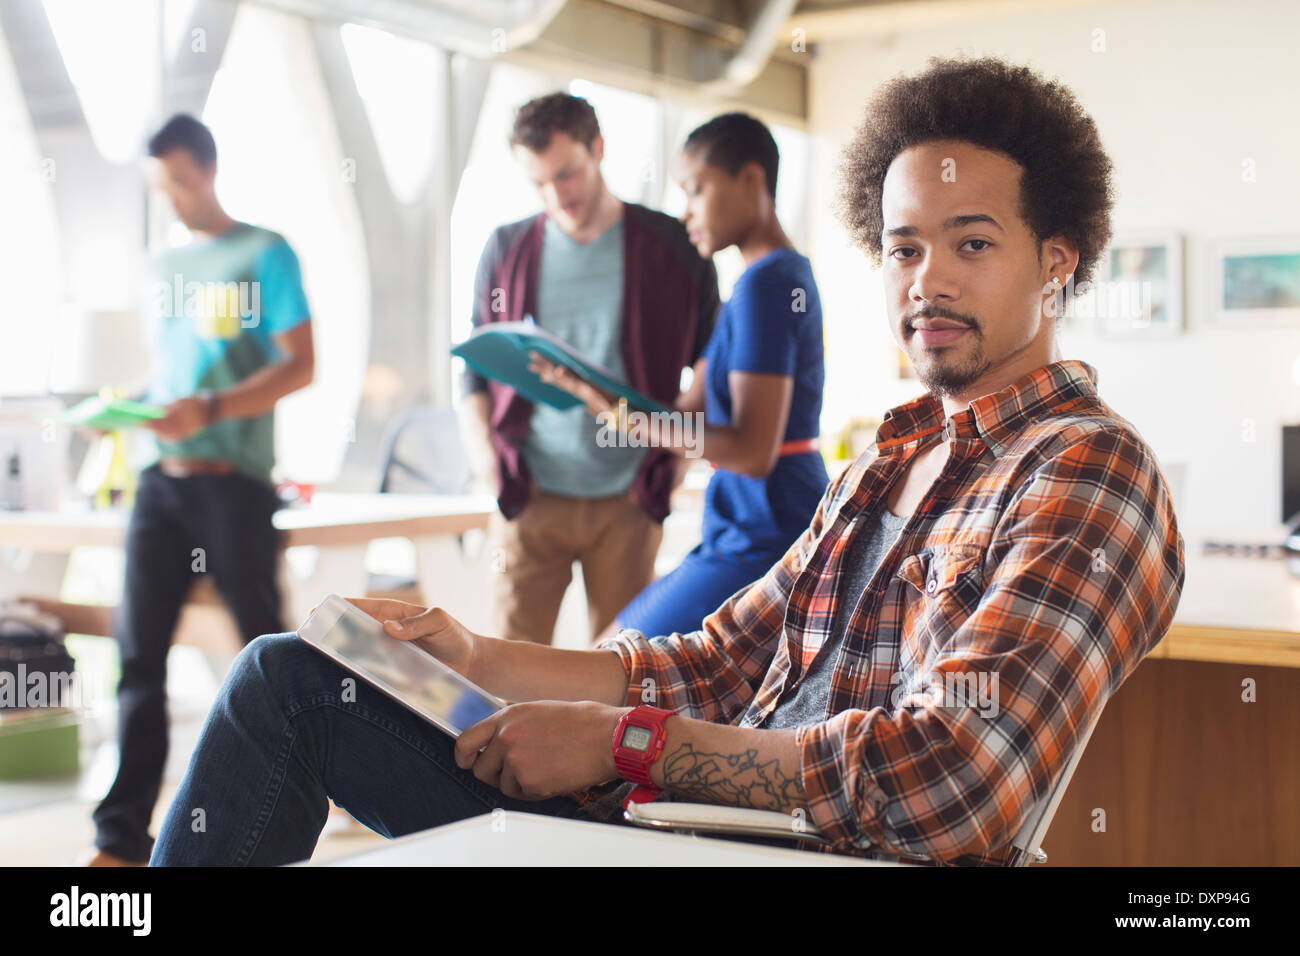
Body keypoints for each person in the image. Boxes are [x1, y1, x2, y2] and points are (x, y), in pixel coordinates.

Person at [150, 56, 1185, 867]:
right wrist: (469, 653)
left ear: (1056, 263)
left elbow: (957, 778)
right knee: (294, 677)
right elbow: (714, 661)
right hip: (682, 823)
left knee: (279, 694)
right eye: (905, 247)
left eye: (971, 244)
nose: (925, 280)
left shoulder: (1087, 472)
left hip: (780, 850)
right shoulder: (889, 460)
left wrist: (619, 743)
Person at [83, 114, 314, 866]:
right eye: (163, 187)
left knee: (266, 658)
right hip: (161, 485)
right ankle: (119, 840)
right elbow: (175, 377)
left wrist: (211, 409)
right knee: (138, 658)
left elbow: (299, 366)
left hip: (233, 489)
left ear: (210, 170)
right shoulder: (160, 269)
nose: (175, 199)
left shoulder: (265, 253)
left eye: (183, 181)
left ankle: (287, 819)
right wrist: (125, 410)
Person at [531, 112, 829, 640]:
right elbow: (687, 411)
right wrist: (590, 389)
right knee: (620, 658)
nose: (686, 211)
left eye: (695, 190)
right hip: (742, 524)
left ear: (752, 180)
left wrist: (621, 417)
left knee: (614, 656)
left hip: (770, 526)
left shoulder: (769, 284)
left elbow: (752, 450)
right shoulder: (755, 286)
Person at [457, 92, 720, 646]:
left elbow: (709, 362)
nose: (558, 195)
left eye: (568, 174)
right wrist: (489, 465)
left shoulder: (673, 246)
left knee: (620, 676)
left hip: (629, 498)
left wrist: (672, 467)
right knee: (504, 671)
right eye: (540, 183)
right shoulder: (504, 249)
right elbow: (475, 372)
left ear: (598, 149)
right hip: (528, 494)